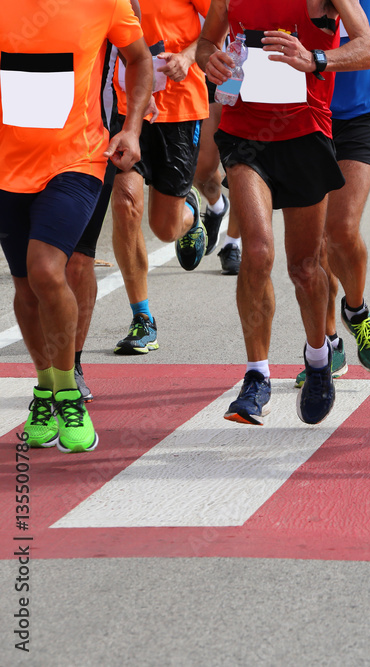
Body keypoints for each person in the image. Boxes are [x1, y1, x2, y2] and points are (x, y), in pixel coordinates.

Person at [197, 0, 370, 426]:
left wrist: (316, 58)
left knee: (304, 267)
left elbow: (368, 49)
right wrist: (212, 61)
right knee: (257, 252)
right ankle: (256, 377)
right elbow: (206, 42)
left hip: (305, 134)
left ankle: (318, 358)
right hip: (245, 134)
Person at [0, 0, 151, 452]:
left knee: (47, 269)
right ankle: (44, 390)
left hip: (78, 161)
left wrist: (132, 128)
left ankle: (68, 391)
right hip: (7, 168)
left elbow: (139, 57)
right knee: (25, 287)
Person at [293, 0, 370, 389]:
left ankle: (357, 310)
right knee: (312, 240)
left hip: (359, 114)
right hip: (303, 115)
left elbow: (366, 51)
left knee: (341, 228)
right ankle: (329, 342)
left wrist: (317, 58)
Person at [110, 0, 212, 356]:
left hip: (180, 108)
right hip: (126, 107)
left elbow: (218, 25)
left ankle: (189, 215)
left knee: (165, 229)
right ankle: (142, 318)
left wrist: (187, 56)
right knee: (124, 205)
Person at [69, 0, 147, 403]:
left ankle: (71, 366)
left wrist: (133, 121)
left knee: (76, 258)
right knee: (30, 271)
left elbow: (139, 53)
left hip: (88, 143)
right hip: (18, 148)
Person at [194, 70, 241, 275]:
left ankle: (232, 244)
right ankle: (217, 205)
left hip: (246, 76)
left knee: (241, 167)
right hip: (216, 71)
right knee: (201, 168)